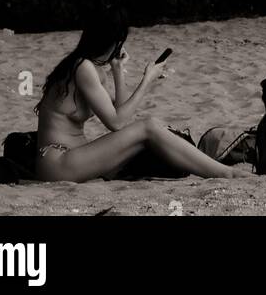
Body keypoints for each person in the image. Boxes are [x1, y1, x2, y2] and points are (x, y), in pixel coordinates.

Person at [34, 19, 250, 182]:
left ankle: (219, 169)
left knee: (151, 140)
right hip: (58, 162)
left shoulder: (85, 66)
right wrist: (148, 79)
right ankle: (226, 173)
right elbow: (116, 123)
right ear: (112, 42)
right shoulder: (83, 68)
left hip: (73, 157)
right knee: (149, 126)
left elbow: (120, 115)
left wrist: (118, 70)